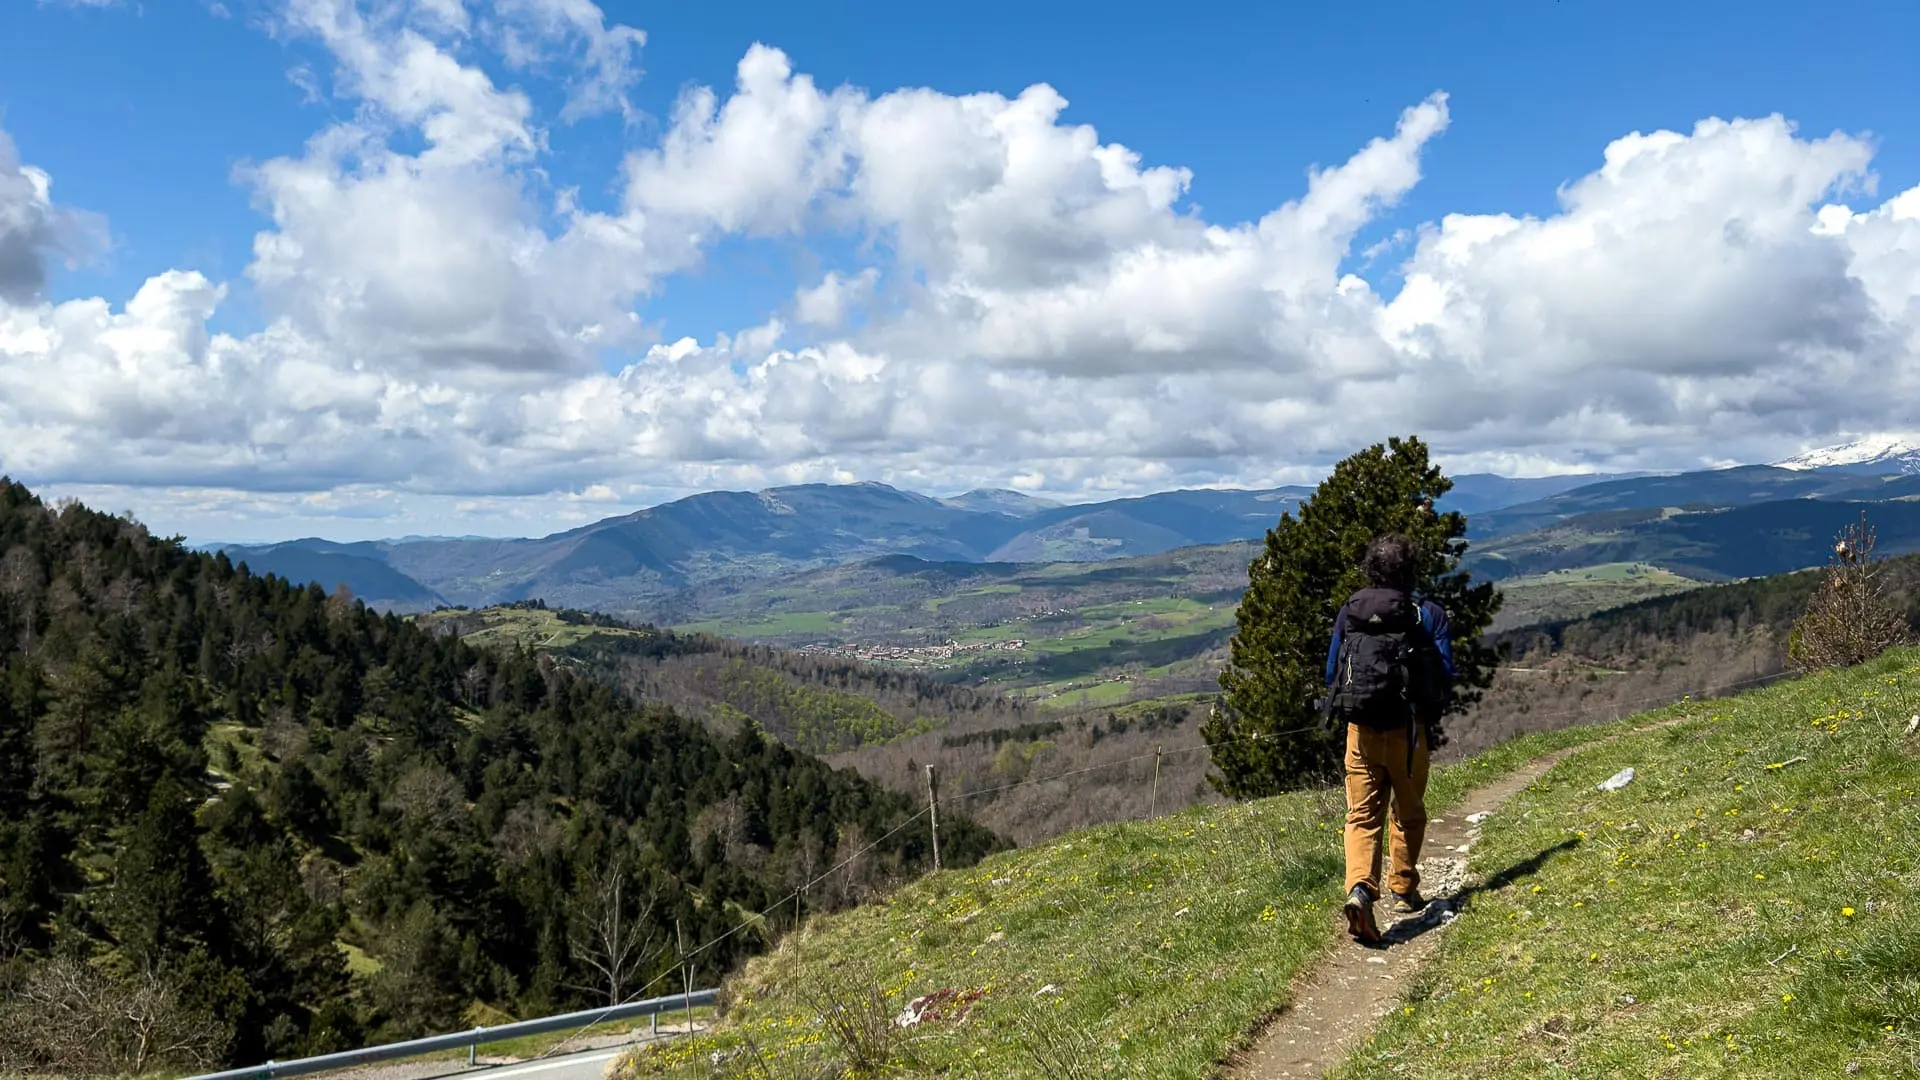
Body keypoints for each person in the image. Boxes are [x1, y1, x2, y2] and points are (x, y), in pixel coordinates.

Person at [1323, 533, 1454, 945]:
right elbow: (1445, 674)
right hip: (1408, 732)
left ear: (1371, 570)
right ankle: (1403, 887)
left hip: (1360, 731)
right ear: (1410, 571)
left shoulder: (1351, 613)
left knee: (1361, 816)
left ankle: (1361, 889)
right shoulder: (1426, 614)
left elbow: (1332, 673)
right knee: (1409, 812)